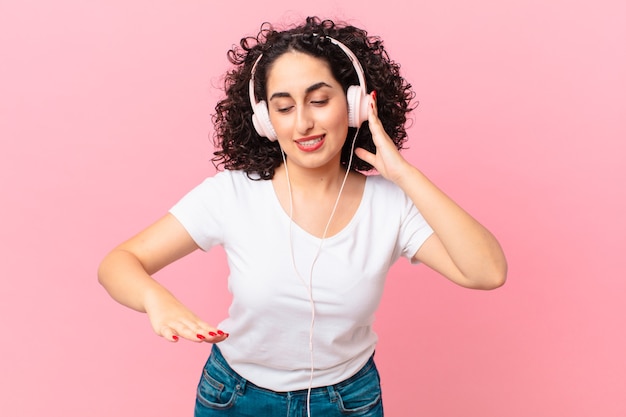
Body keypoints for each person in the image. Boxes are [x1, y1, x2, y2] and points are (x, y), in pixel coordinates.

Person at [98, 16, 507, 417]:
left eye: (319, 100)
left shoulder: (391, 204)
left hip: (349, 400)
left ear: (353, 104)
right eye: (284, 107)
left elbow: (487, 272)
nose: (304, 123)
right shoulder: (231, 194)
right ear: (265, 121)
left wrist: (404, 174)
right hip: (235, 397)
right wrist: (157, 301)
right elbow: (119, 263)